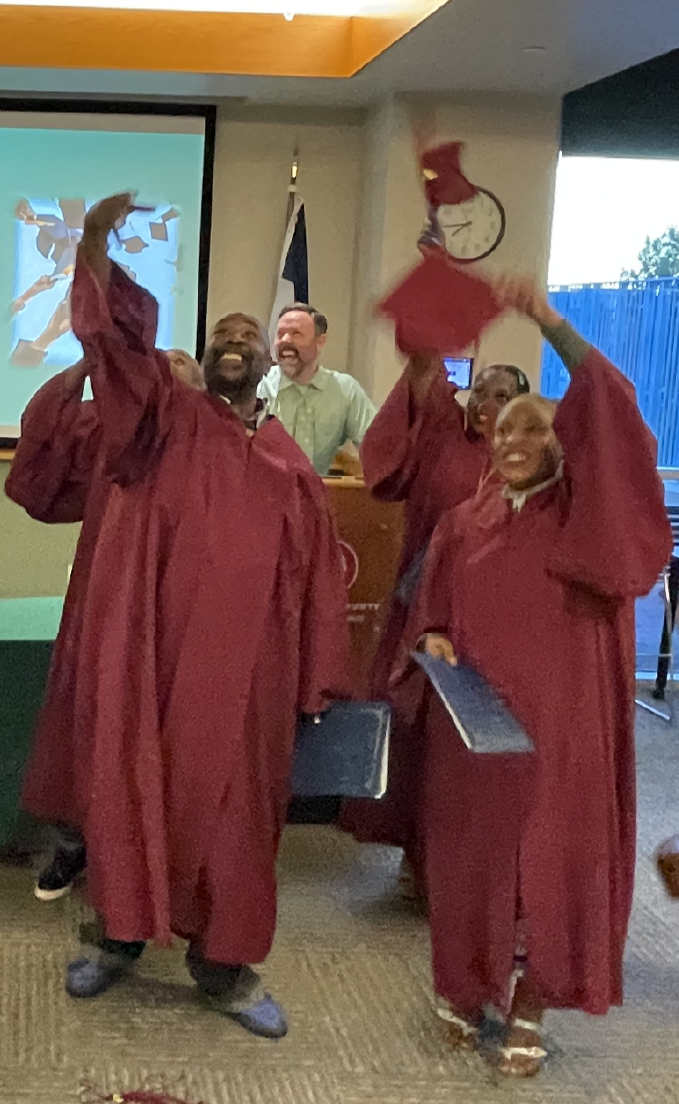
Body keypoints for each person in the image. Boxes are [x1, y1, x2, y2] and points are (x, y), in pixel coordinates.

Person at [54, 195, 351, 1039]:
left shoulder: (290, 466)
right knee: (129, 797)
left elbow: (317, 582)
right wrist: (96, 244)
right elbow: (116, 346)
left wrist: (314, 677)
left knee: (235, 823)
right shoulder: (164, 423)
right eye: (221, 332)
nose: (233, 341)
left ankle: (223, 968)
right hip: (151, 660)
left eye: (247, 336)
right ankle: (117, 940)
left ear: (269, 361)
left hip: (244, 684)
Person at [409, 279, 671, 1076]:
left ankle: (531, 1000)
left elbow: (612, 413)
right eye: (504, 427)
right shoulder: (466, 521)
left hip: (561, 732)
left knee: (548, 867)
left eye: (537, 426)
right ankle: (464, 985)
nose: (517, 437)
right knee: (468, 861)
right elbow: (432, 611)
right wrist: (434, 636)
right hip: (478, 735)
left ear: (565, 444)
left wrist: (552, 323)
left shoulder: (588, 519)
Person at [6, 285, 206, 901]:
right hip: (102, 604)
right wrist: (86, 366)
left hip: (180, 620)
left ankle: (153, 868)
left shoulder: (216, 450)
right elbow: (40, 462)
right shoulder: (109, 432)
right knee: (81, 726)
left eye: (177, 375)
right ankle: (73, 847)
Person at [340, 352, 529, 900]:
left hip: (496, 623)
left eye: (500, 395)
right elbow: (416, 406)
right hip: (426, 611)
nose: (484, 405)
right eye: (479, 393)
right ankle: (416, 859)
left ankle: (481, 870)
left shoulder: (531, 462)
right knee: (420, 733)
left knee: (483, 743)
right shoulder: (446, 442)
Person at [259, 303, 377, 474]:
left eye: (296, 334)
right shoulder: (259, 384)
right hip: (264, 494)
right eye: (280, 334)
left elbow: (377, 447)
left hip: (319, 495)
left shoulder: (344, 390)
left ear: (320, 342)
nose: (285, 341)